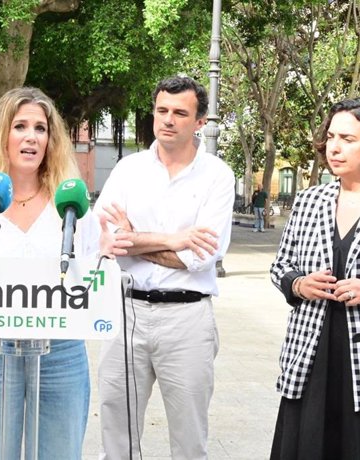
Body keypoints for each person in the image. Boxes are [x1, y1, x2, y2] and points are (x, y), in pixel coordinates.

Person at [0, 87, 130, 459]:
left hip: (61, 354)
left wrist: (104, 257)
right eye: (20, 126)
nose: (31, 136)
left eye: (41, 128)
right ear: (0, 135)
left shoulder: (73, 207)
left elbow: (91, 289)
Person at [94, 75, 235, 459]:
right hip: (126, 313)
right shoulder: (128, 169)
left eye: (180, 113)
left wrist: (134, 239)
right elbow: (104, 240)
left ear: (200, 123)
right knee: (116, 433)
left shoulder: (218, 177)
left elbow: (201, 258)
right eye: (162, 110)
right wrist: (174, 239)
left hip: (187, 319)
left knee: (189, 440)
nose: (168, 120)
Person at [270, 98, 360, 459]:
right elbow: (281, 267)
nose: (334, 147)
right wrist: (299, 284)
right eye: (331, 136)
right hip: (311, 357)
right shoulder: (309, 200)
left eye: (348, 139)